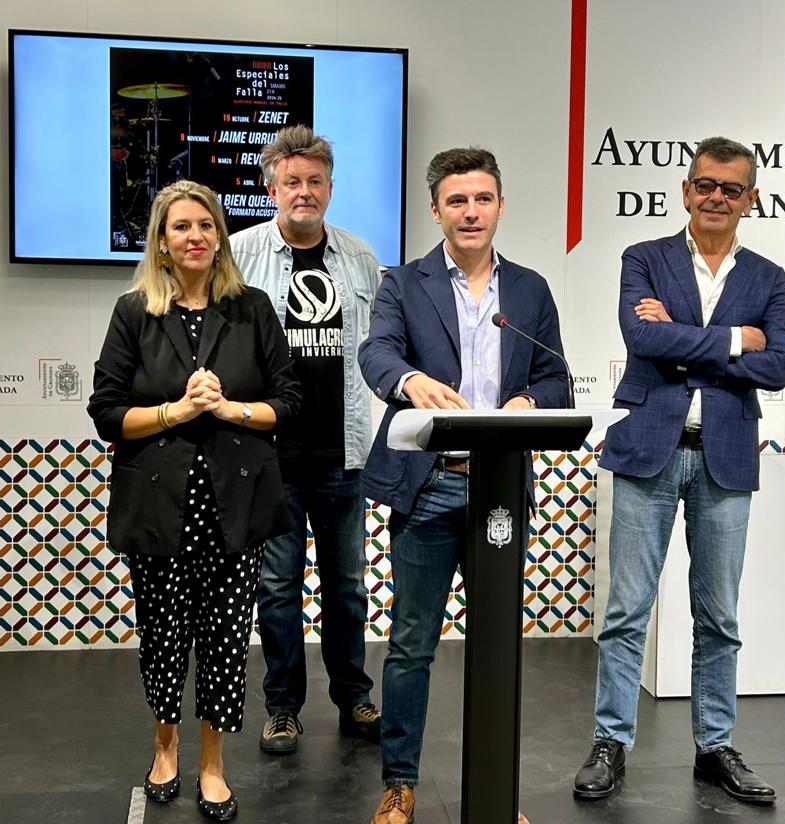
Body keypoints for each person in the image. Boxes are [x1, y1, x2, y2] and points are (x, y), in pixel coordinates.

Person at [572, 137, 785, 805]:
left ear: (751, 198)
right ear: (685, 190)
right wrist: (735, 340)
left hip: (723, 457)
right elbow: (643, 340)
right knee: (627, 611)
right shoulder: (644, 258)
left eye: (731, 188)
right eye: (705, 184)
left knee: (719, 615)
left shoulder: (768, 277)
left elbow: (778, 366)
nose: (716, 197)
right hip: (649, 451)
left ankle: (715, 747)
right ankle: (611, 741)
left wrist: (684, 341)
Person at [359, 147, 568, 824]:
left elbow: (555, 378)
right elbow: (377, 353)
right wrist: (408, 381)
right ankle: (399, 784)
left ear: (500, 205)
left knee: (497, 644)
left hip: (501, 490)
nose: (471, 212)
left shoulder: (531, 289)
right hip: (429, 487)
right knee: (412, 643)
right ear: (436, 210)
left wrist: (529, 408)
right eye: (457, 201)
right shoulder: (403, 282)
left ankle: (496, 791)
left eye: (482, 199)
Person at [88, 180, 301, 822]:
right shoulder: (134, 313)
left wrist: (229, 408)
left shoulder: (253, 308)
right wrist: (173, 411)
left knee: (226, 638)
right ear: (161, 240)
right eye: (181, 226)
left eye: (206, 225)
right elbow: (106, 411)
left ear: (220, 236)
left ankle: (211, 762)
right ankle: (165, 746)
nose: (196, 236)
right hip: (159, 507)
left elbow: (288, 401)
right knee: (163, 636)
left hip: (233, 507)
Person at [231, 125, 383, 755]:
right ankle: (283, 707)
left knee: (347, 586)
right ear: (271, 187)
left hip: (344, 453)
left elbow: (380, 351)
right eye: (291, 182)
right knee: (278, 587)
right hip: (270, 457)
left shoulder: (360, 259)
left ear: (329, 187)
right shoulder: (239, 256)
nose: (304, 192)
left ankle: (353, 694)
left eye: (314, 181)